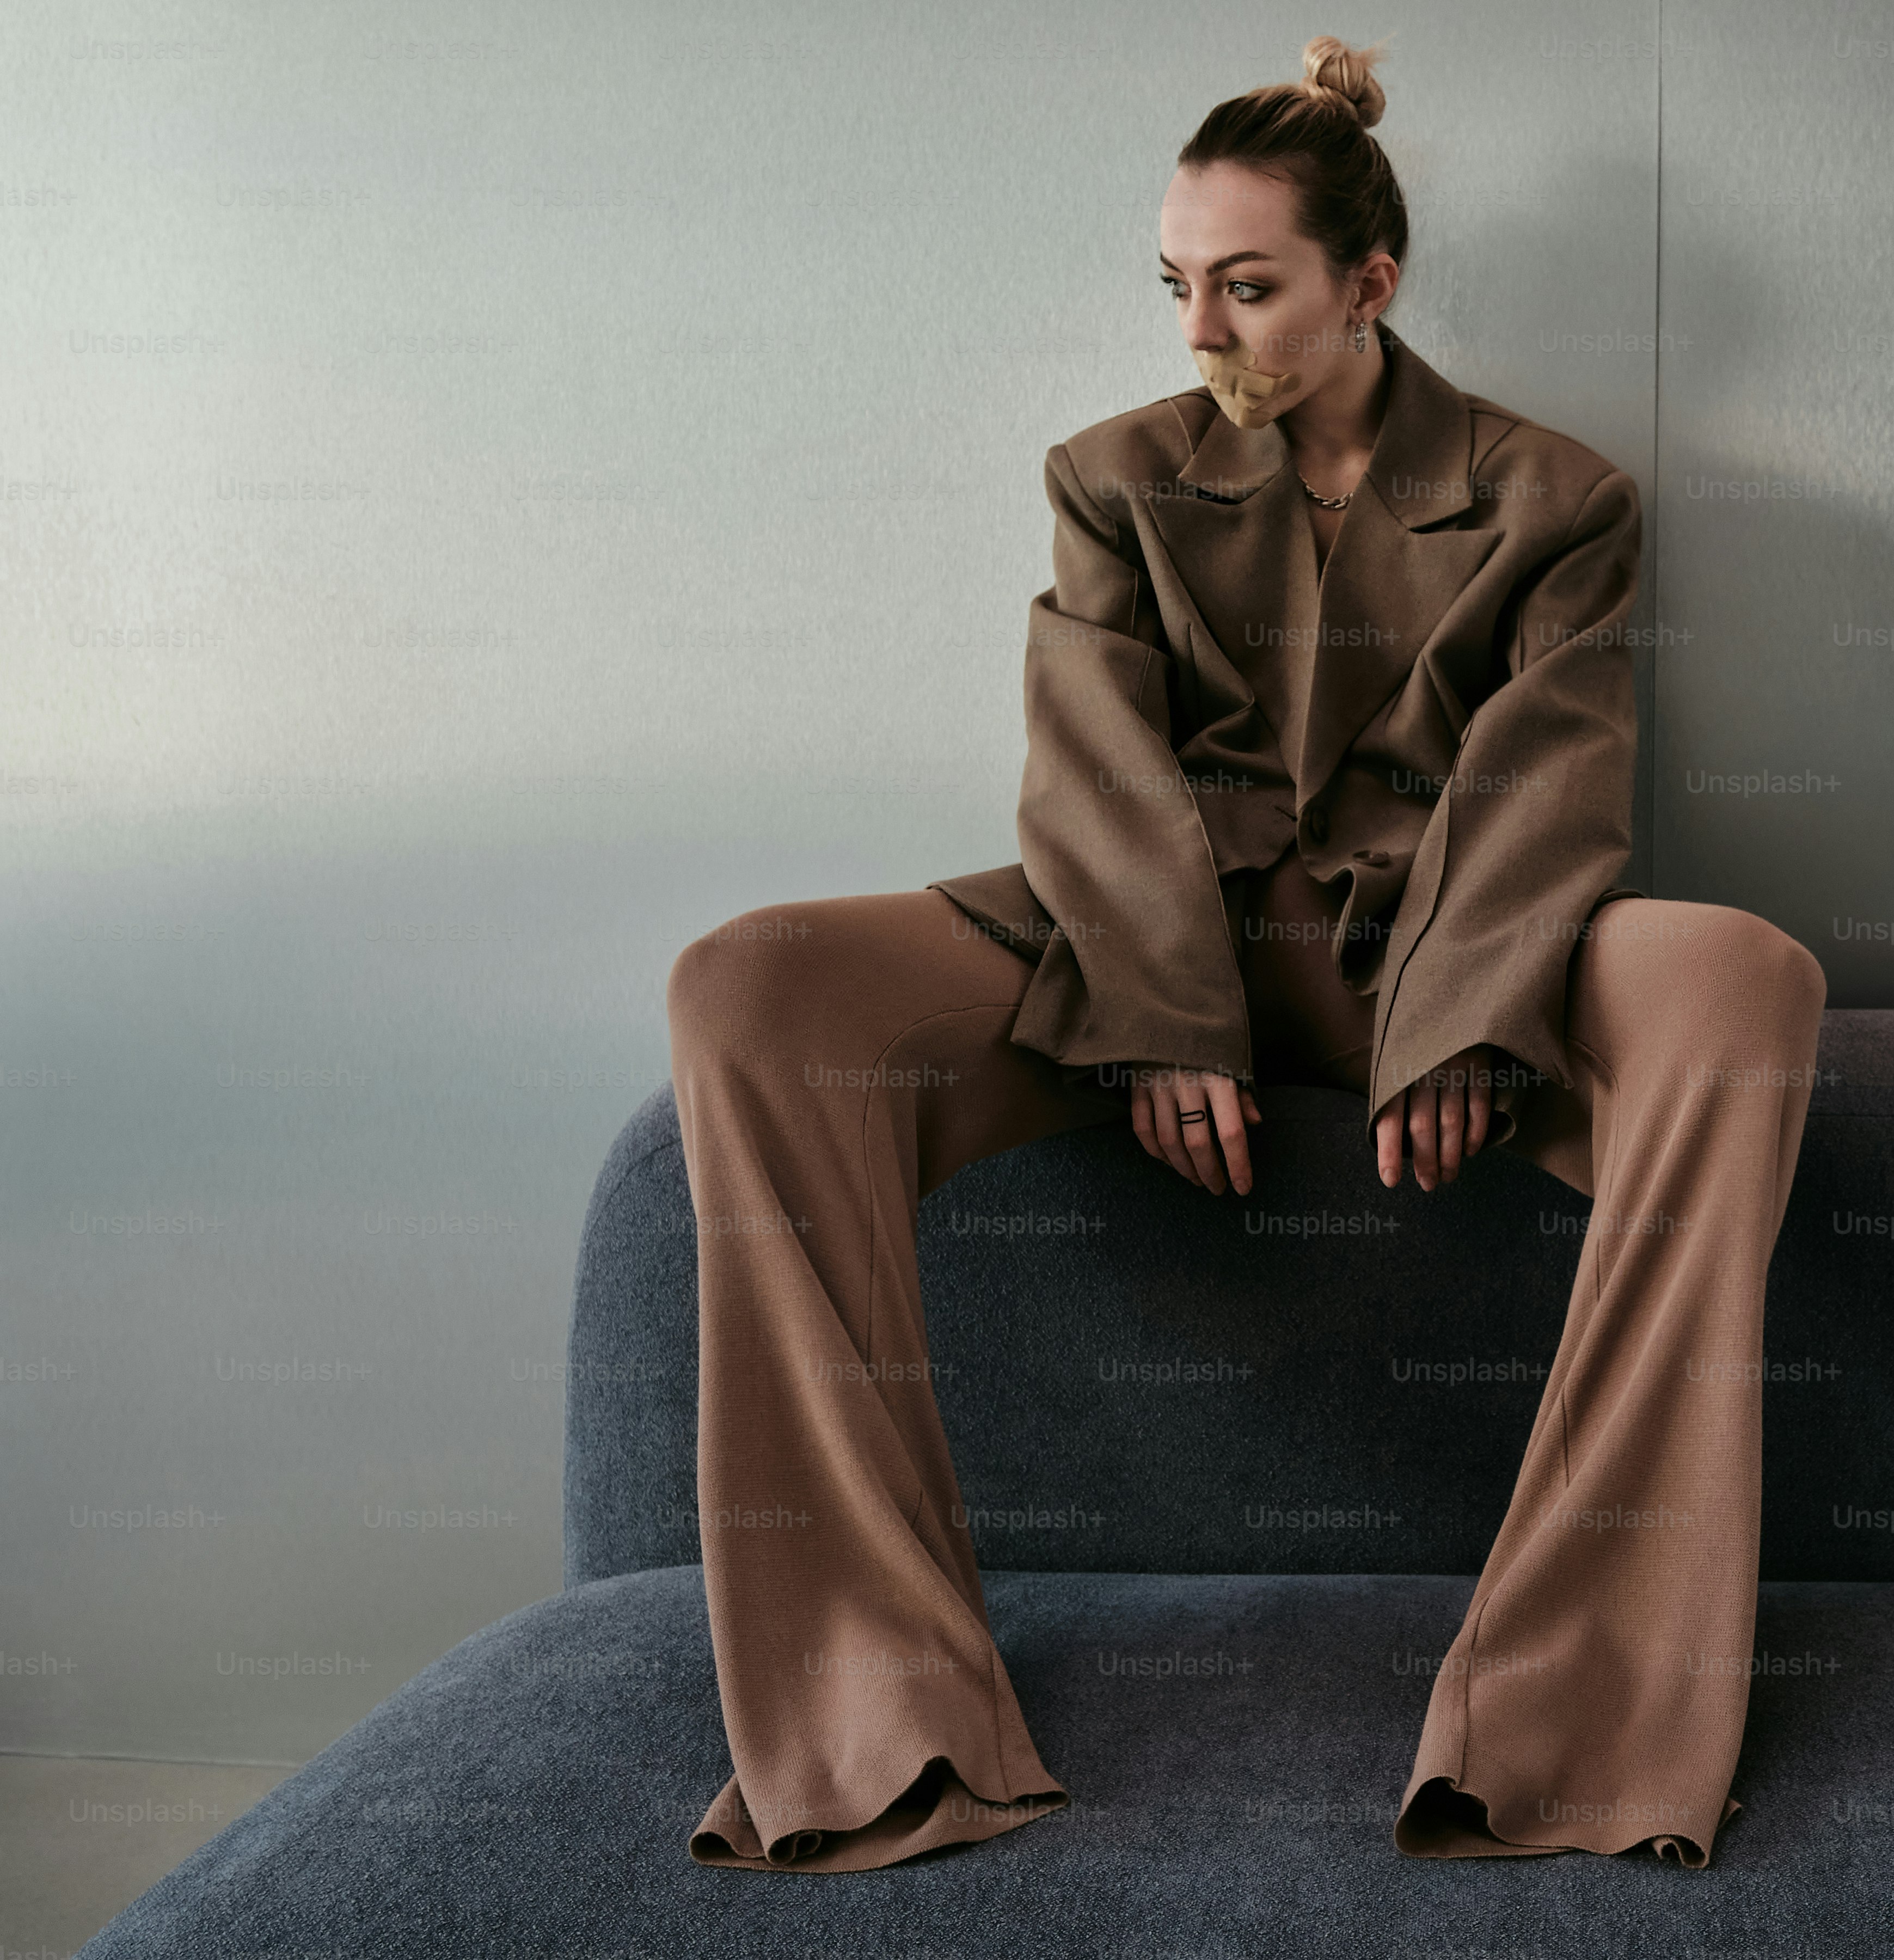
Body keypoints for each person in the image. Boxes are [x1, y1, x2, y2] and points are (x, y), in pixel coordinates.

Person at [661, 33, 1827, 1874]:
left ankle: (1570, 1724)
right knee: (749, 981)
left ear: (1370, 284)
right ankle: (885, 1727)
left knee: (1744, 978)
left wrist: (1460, 1018)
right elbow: (1095, 761)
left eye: (1251, 286)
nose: (1205, 327)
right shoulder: (1111, 475)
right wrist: (1159, 1009)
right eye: (1178, 286)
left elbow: (1551, 782)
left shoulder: (1560, 501)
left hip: (1432, 943)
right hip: (1149, 932)